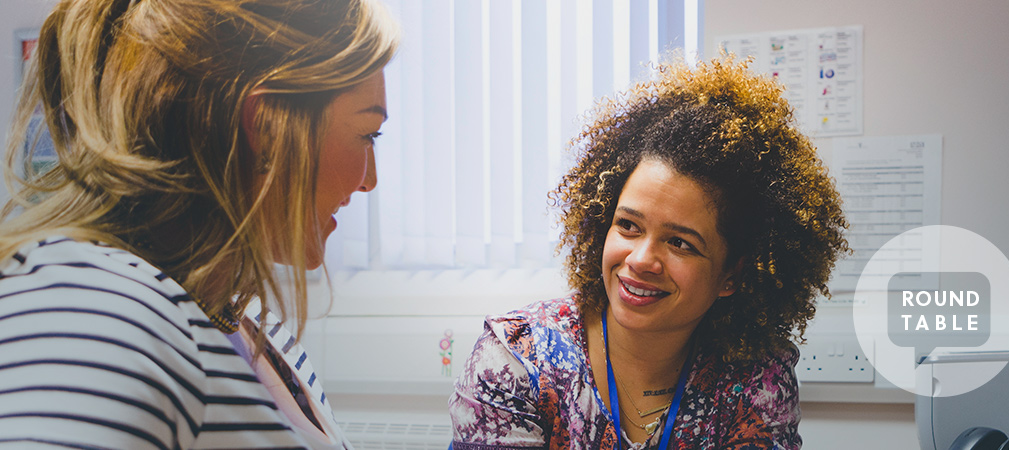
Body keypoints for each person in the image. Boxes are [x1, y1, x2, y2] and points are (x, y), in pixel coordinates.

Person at [0, 0, 397, 448]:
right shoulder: (94, 306)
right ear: (266, 128)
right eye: (367, 134)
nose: (370, 180)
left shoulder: (246, 325)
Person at [449, 55, 849, 450]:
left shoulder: (756, 379)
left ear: (732, 275)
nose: (640, 259)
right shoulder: (517, 359)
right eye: (628, 225)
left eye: (680, 243)